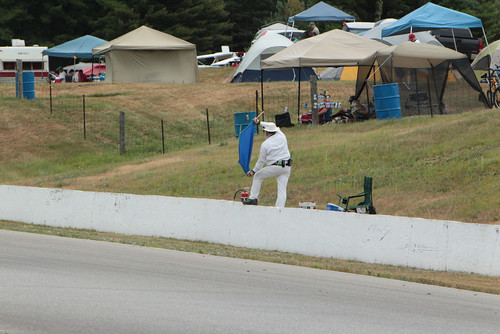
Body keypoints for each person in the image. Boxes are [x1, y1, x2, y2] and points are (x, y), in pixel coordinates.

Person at [243, 120, 292, 208]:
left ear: (266, 133)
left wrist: (253, 171)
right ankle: (279, 209)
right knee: (282, 190)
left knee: (258, 176)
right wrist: (259, 122)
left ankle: (253, 198)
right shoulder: (281, 135)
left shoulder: (265, 144)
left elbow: (261, 161)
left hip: (275, 167)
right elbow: (270, 125)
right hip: (286, 167)